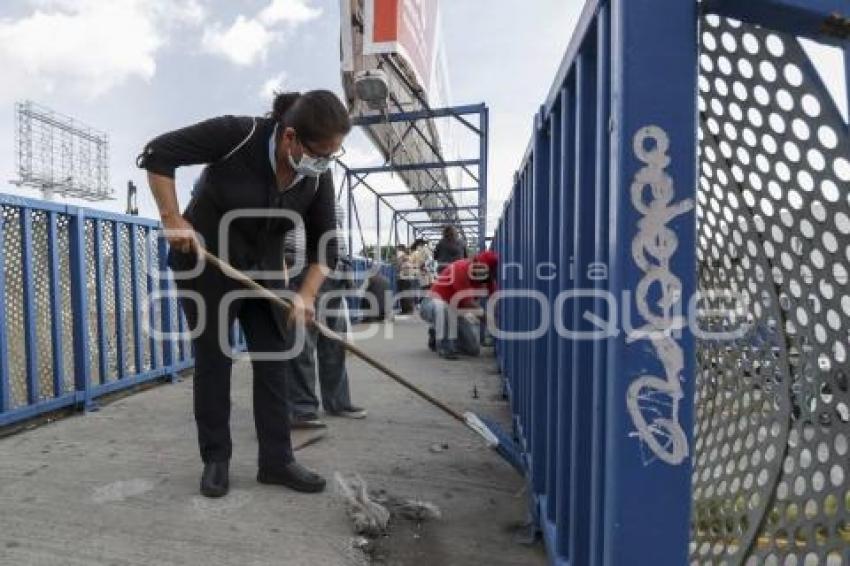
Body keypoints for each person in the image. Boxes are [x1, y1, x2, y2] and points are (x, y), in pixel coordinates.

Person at [138, 90, 351, 498]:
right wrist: (172, 217)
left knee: (275, 360)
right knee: (215, 360)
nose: (324, 163)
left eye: (332, 156)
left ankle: (277, 461)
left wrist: (305, 295)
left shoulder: (317, 175)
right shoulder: (237, 134)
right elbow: (157, 154)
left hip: (265, 272)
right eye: (320, 153)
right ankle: (216, 459)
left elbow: (326, 244)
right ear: (290, 137)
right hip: (207, 263)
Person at [285, 203, 367, 429]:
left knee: (334, 341)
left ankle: (338, 401)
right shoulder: (289, 186)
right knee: (302, 343)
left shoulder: (323, 181)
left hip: (332, 270)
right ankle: (301, 408)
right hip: (300, 267)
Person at [420, 251, 499, 360]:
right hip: (431, 304)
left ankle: (439, 334)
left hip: (454, 312)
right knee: (442, 308)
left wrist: (499, 317)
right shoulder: (460, 268)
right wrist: (490, 320)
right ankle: (445, 347)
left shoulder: (488, 280)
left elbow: (495, 300)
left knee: (472, 350)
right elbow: (468, 303)